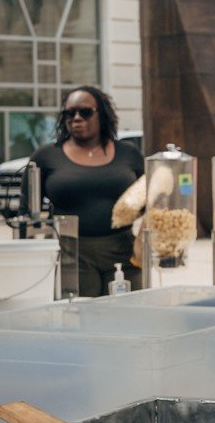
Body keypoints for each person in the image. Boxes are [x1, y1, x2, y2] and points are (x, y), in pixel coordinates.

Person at [31, 86, 144, 297]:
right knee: (78, 320)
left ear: (102, 114)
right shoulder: (46, 157)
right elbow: (28, 211)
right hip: (71, 254)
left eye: (85, 112)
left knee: (129, 317)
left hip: (124, 251)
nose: (76, 118)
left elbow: (150, 201)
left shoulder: (128, 154)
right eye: (69, 113)